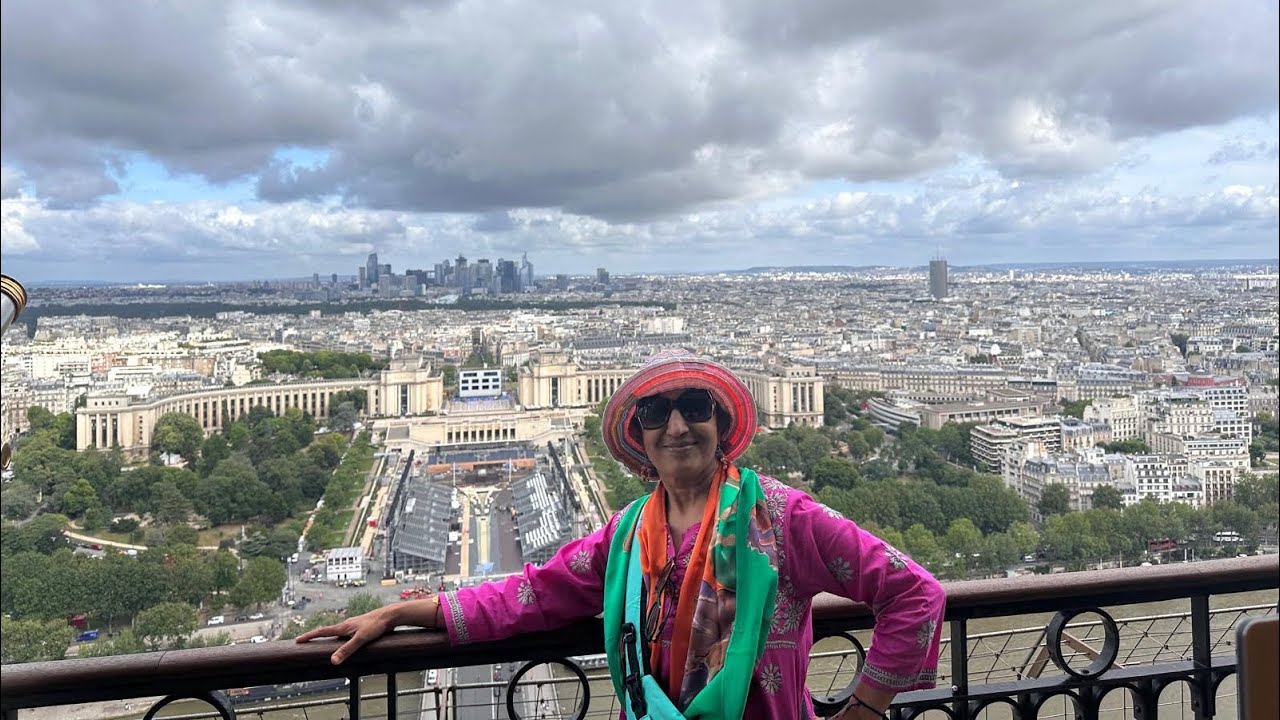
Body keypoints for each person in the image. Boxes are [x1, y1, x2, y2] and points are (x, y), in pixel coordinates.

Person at [298, 350, 946, 719]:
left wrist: (865, 709)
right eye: (656, 414)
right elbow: (532, 594)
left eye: (694, 409)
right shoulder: (628, 532)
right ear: (639, 436)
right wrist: (401, 612)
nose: (677, 427)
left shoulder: (782, 517)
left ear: (721, 426)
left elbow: (915, 593)